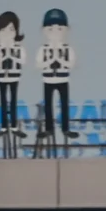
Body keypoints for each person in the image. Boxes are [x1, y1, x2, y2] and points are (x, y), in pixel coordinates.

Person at [36, 8, 77, 141]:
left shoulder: (67, 49)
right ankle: (49, 129)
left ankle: (65, 128)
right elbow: (38, 64)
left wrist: (58, 59)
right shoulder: (44, 49)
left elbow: (71, 64)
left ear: (67, 29)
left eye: (59, 28)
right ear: (43, 30)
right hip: (48, 79)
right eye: (50, 29)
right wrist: (50, 60)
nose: (55, 32)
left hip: (63, 79)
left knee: (64, 104)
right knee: (48, 105)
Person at [0, 12, 25, 139]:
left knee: (13, 100)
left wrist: (12, 55)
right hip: (1, 76)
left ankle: (14, 126)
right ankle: (4, 126)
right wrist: (4, 56)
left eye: (11, 30)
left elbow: (23, 60)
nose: (7, 34)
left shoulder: (18, 48)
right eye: (3, 30)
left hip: (14, 76)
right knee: (3, 101)